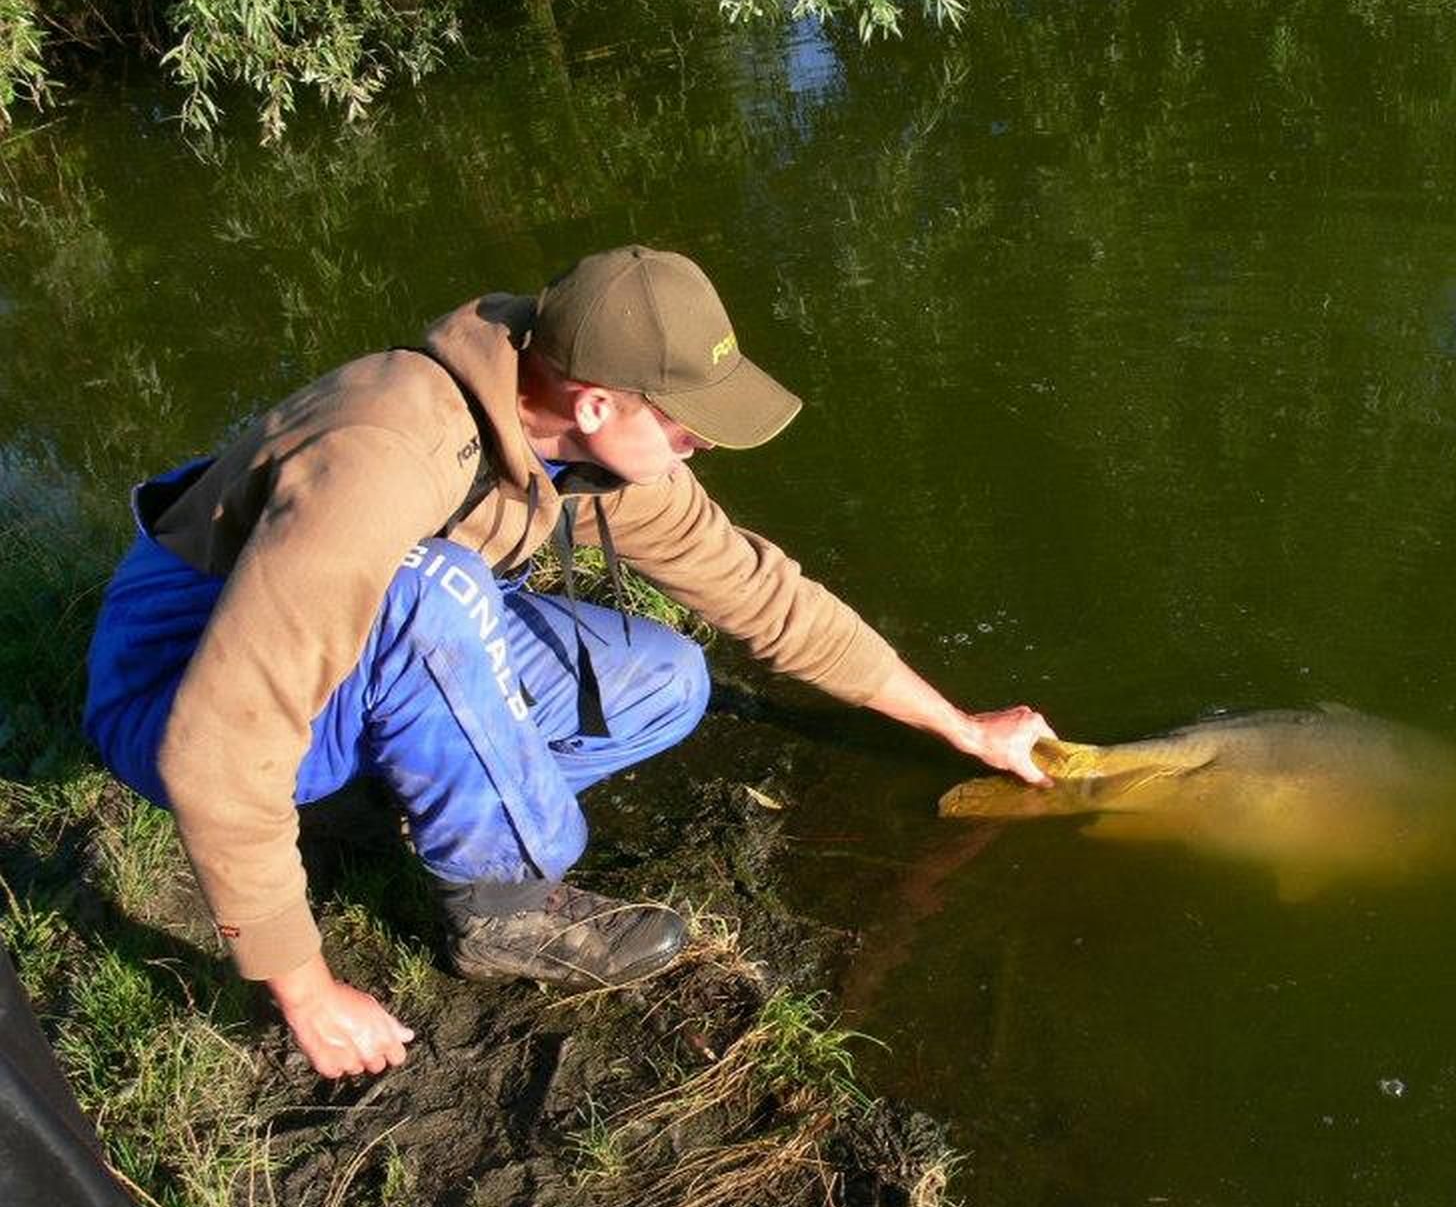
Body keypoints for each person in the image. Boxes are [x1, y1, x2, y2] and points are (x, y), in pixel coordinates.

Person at [83, 246, 1054, 1080]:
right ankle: (503, 909)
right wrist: (305, 988)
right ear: (594, 402)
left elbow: (768, 598)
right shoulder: (389, 457)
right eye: (685, 421)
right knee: (439, 594)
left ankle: (424, 812)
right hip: (178, 687)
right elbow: (218, 743)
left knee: (663, 681)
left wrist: (965, 727)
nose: (701, 443)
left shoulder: (585, 443)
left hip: (351, 650)